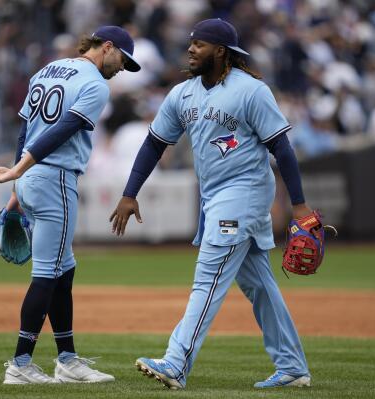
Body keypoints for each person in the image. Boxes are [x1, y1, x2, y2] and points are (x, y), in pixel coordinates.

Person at [110, 18, 312, 390]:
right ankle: (293, 366)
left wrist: (299, 207)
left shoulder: (251, 90)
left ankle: (175, 361)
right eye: (191, 43)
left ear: (220, 51)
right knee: (259, 284)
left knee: (208, 276)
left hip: (245, 192)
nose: (190, 49)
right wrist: (129, 193)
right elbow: (155, 143)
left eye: (199, 44)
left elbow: (281, 146)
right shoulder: (182, 94)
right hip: (215, 196)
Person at [0, 25, 141, 384]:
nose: (121, 69)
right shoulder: (95, 85)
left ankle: (67, 359)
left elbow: (26, 131)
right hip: (55, 179)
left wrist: (18, 187)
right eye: (122, 60)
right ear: (107, 47)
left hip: (33, 180)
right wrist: (18, 172)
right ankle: (20, 365)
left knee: (63, 271)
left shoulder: (46, 70)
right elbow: (62, 129)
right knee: (47, 275)